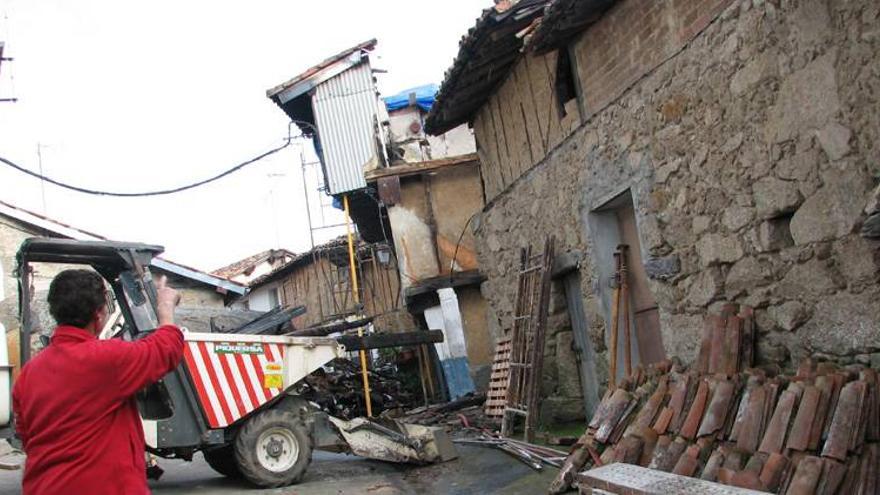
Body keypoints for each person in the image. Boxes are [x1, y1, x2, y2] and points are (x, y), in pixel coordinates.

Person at [12, 269, 184, 495]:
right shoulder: (108, 360)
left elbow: (26, 436)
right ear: (99, 314)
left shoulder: (28, 374)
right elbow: (166, 350)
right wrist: (165, 308)